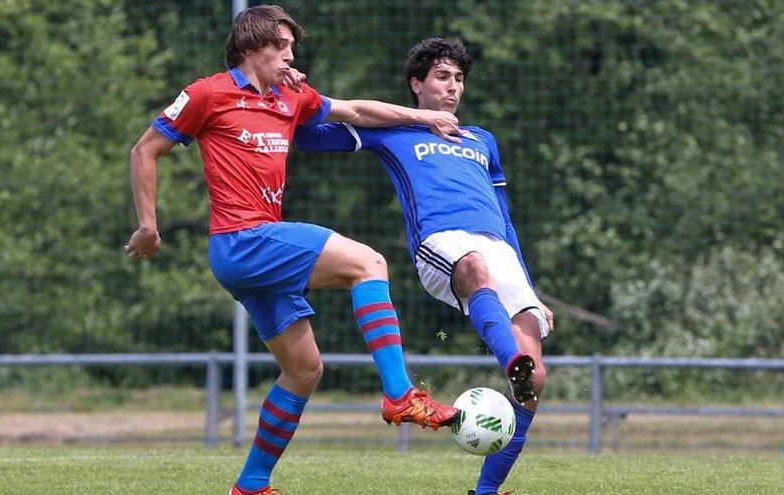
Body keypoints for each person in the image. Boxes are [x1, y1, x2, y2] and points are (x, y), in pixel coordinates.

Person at [124, 7, 461, 495]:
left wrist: (425, 116)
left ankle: (252, 485)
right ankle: (400, 395)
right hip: (243, 240)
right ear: (250, 48)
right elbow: (144, 149)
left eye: (291, 48)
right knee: (369, 263)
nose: (290, 55)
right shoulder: (207, 93)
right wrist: (149, 225)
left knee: (304, 371)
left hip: (255, 254)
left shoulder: (289, 95)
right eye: (281, 46)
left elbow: (358, 111)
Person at [295, 37, 554, 495]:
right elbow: (309, 136)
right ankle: (507, 356)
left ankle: (486, 491)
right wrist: (292, 92)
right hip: (443, 243)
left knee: (534, 379)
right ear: (417, 84)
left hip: (499, 249)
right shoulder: (395, 130)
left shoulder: (482, 140)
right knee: (474, 268)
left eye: (458, 78)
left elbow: (506, 219)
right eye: (441, 77)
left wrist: (532, 289)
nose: (453, 87)